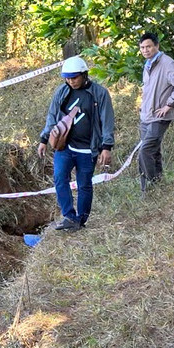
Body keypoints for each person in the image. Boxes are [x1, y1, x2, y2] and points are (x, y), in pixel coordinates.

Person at [37, 56, 115, 231]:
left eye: (74, 77)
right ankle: (69, 216)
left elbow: (107, 121)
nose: (70, 81)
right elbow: (52, 116)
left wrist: (106, 147)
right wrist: (44, 139)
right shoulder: (62, 92)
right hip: (65, 146)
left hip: (88, 149)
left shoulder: (99, 93)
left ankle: (81, 220)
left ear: (84, 75)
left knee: (84, 184)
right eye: (67, 78)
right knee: (59, 177)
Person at [137, 31, 174, 190]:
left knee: (144, 151)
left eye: (148, 46)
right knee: (153, 151)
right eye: (142, 47)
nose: (145, 50)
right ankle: (157, 184)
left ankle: (151, 186)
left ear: (157, 46)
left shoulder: (166, 63)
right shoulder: (147, 65)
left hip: (159, 116)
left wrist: (169, 104)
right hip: (146, 116)